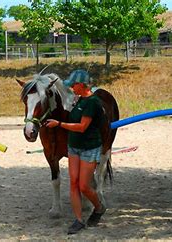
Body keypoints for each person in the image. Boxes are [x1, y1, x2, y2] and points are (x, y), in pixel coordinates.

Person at [45, 69, 106, 234]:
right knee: (73, 183)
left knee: (84, 186)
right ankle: (79, 220)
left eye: (73, 85)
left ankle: (99, 207)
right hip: (74, 147)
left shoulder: (92, 103)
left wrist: (59, 124)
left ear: (81, 85)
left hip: (89, 148)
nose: (71, 88)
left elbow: (82, 127)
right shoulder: (78, 100)